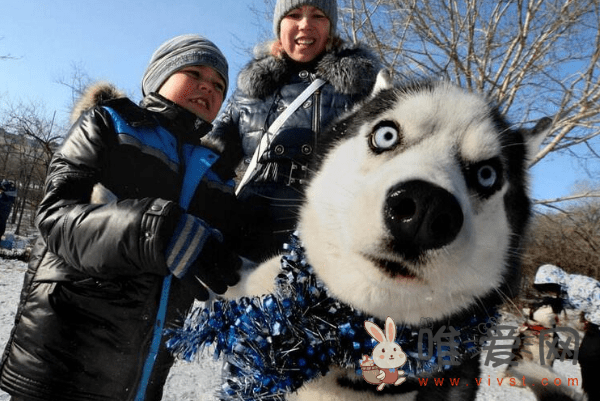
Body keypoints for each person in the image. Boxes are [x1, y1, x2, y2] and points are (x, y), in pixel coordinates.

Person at [0, 34, 243, 401]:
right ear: (160, 76)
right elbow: (55, 218)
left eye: (219, 86)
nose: (207, 88)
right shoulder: (110, 124)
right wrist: (156, 231)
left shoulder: (214, 172)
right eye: (194, 73)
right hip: (62, 365)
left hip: (141, 378)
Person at [210, 0, 381, 261]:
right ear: (280, 26)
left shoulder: (363, 88)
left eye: (318, 15)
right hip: (248, 231)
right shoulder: (249, 93)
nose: (305, 24)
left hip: (328, 236)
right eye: (294, 15)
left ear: (330, 27)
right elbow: (210, 163)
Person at [533, 264, 600, 400]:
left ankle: (592, 393)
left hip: (597, 325)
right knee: (587, 357)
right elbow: (580, 302)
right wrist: (553, 302)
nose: (550, 291)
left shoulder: (578, 284)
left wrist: (594, 321)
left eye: (549, 287)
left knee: (589, 357)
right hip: (596, 325)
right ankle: (589, 392)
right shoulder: (568, 288)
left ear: (555, 280)